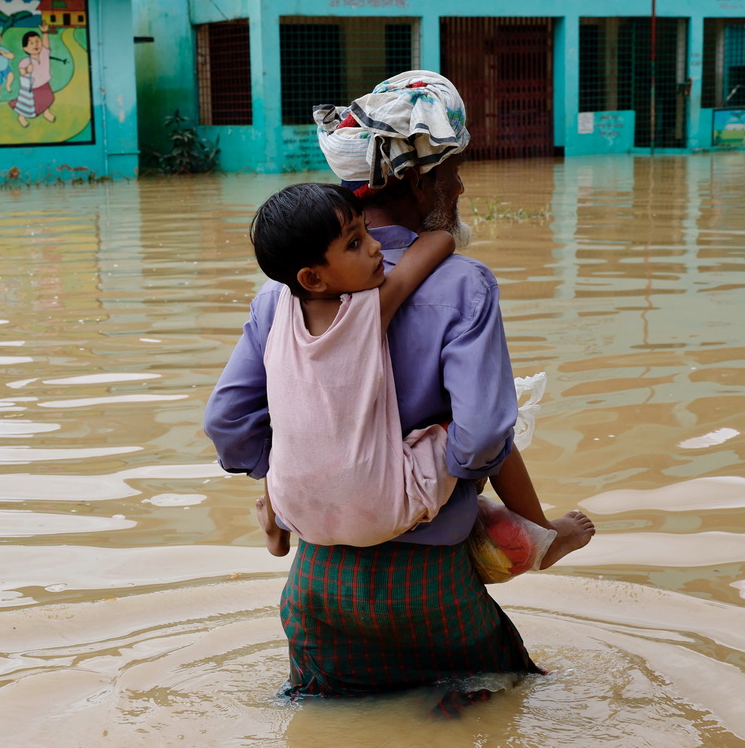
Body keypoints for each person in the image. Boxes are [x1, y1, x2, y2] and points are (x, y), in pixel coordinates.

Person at [204, 70, 594, 705]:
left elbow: (228, 422)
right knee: (493, 706)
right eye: (455, 170)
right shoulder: (464, 284)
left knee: (324, 722)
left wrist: (293, 474)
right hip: (430, 585)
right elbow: (484, 434)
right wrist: (469, 495)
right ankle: (540, 541)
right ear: (420, 179)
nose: (461, 186)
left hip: (316, 585)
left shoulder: (286, 293)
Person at [250, 182, 458, 556]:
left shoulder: (276, 308)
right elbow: (439, 241)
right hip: (384, 512)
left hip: (295, 512)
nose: (376, 245)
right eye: (355, 243)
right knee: (475, 425)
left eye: (366, 230)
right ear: (312, 278)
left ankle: (273, 527)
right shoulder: (366, 312)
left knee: (280, 427)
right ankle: (524, 526)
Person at [11, 24, 57, 128]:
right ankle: (21, 116)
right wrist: (27, 70)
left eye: (37, 41)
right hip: (33, 87)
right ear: (25, 48)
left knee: (47, 98)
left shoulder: (44, 55)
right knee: (28, 104)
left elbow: (46, 45)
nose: (35, 45)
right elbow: (21, 71)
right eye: (31, 43)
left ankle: (46, 112)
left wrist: (45, 33)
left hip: (45, 84)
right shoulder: (25, 61)